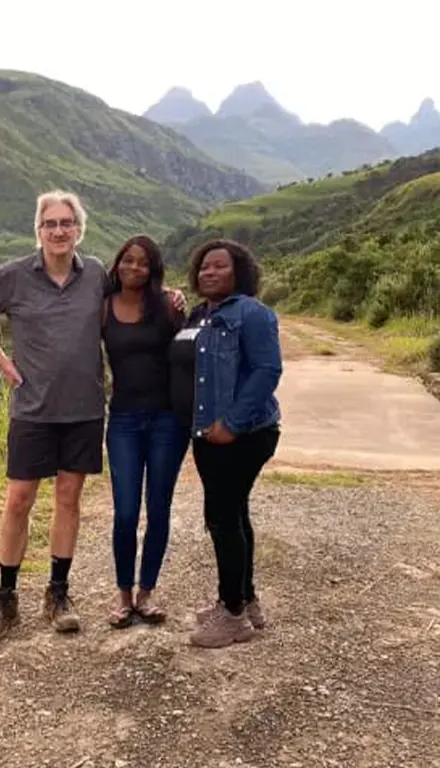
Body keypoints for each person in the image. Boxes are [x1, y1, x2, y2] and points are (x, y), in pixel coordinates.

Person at [0, 191, 185, 642]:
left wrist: (170, 295)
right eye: (51, 223)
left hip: (84, 410)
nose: (59, 231)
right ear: (39, 230)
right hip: (32, 409)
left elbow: (133, 289)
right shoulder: (14, 276)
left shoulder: (96, 273)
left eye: (67, 223)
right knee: (18, 499)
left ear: (79, 230)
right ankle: (5, 597)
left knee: (68, 498)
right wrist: (3, 364)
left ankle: (58, 592)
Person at [168, 238, 283, 649]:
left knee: (222, 518)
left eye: (220, 266)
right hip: (209, 432)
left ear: (240, 272)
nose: (209, 272)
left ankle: (232, 615)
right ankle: (245, 600)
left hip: (242, 434)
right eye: (204, 266)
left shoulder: (251, 313)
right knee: (234, 513)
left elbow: (267, 370)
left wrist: (232, 424)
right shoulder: (201, 314)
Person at [101, 235, 189, 629]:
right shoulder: (103, 307)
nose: (134, 267)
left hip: (167, 421)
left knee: (158, 508)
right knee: (125, 511)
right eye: (128, 260)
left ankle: (146, 594)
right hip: (123, 421)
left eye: (143, 262)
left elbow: (188, 353)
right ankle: (123, 596)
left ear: (153, 270)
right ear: (117, 263)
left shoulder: (168, 305)